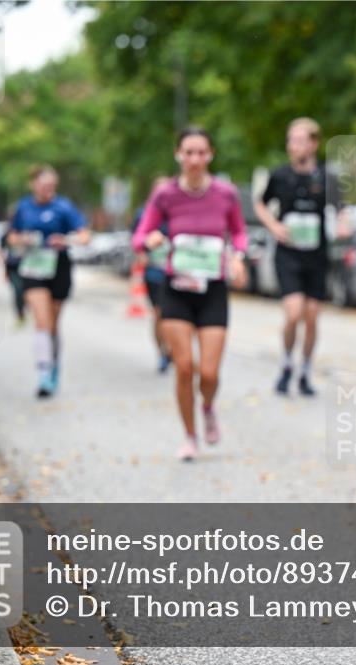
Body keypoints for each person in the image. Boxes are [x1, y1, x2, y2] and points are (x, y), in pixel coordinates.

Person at [132, 128, 248, 461]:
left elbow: (238, 231)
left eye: (201, 152)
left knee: (209, 373)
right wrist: (148, 241)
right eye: (188, 152)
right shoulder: (166, 195)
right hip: (176, 290)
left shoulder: (226, 194)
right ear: (178, 155)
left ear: (210, 155)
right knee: (185, 367)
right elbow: (141, 235)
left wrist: (238, 257)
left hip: (212, 289)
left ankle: (208, 406)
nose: (195, 159)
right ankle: (189, 435)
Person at [254, 117, 345, 397]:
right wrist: (273, 225)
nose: (293, 145)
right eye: (290, 140)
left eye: (299, 140)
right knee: (293, 313)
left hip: (316, 255)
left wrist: (343, 224)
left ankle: (305, 369)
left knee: (312, 316)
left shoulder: (327, 177)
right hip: (288, 255)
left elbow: (341, 209)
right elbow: (260, 203)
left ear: (314, 143)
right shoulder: (280, 175)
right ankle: (285, 364)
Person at [7, 165, 90, 398]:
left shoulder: (64, 207)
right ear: (33, 184)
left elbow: (84, 235)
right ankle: (43, 373)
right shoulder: (23, 207)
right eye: (44, 185)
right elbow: (11, 236)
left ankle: (54, 366)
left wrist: (66, 239)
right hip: (33, 267)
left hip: (59, 267)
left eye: (52, 186)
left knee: (53, 325)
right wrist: (23, 239)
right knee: (41, 322)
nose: (48, 190)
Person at [132, 176, 174, 373]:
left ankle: (174, 347)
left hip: (178, 273)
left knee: (175, 316)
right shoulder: (144, 213)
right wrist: (141, 253)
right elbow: (136, 239)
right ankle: (162, 352)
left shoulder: (178, 212)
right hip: (155, 272)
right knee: (159, 314)